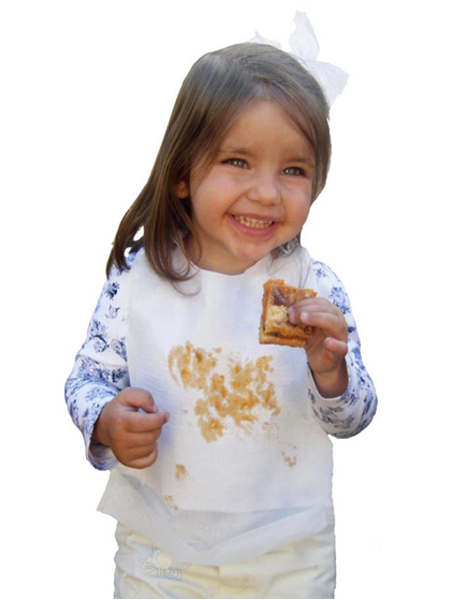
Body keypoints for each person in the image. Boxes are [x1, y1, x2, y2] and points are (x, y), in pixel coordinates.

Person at [65, 30, 377, 600]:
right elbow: (86, 380)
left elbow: (353, 419)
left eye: (293, 170)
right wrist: (106, 420)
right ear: (182, 174)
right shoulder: (137, 281)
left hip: (287, 551)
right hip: (160, 547)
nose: (268, 193)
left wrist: (330, 372)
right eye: (238, 161)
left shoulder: (312, 289)